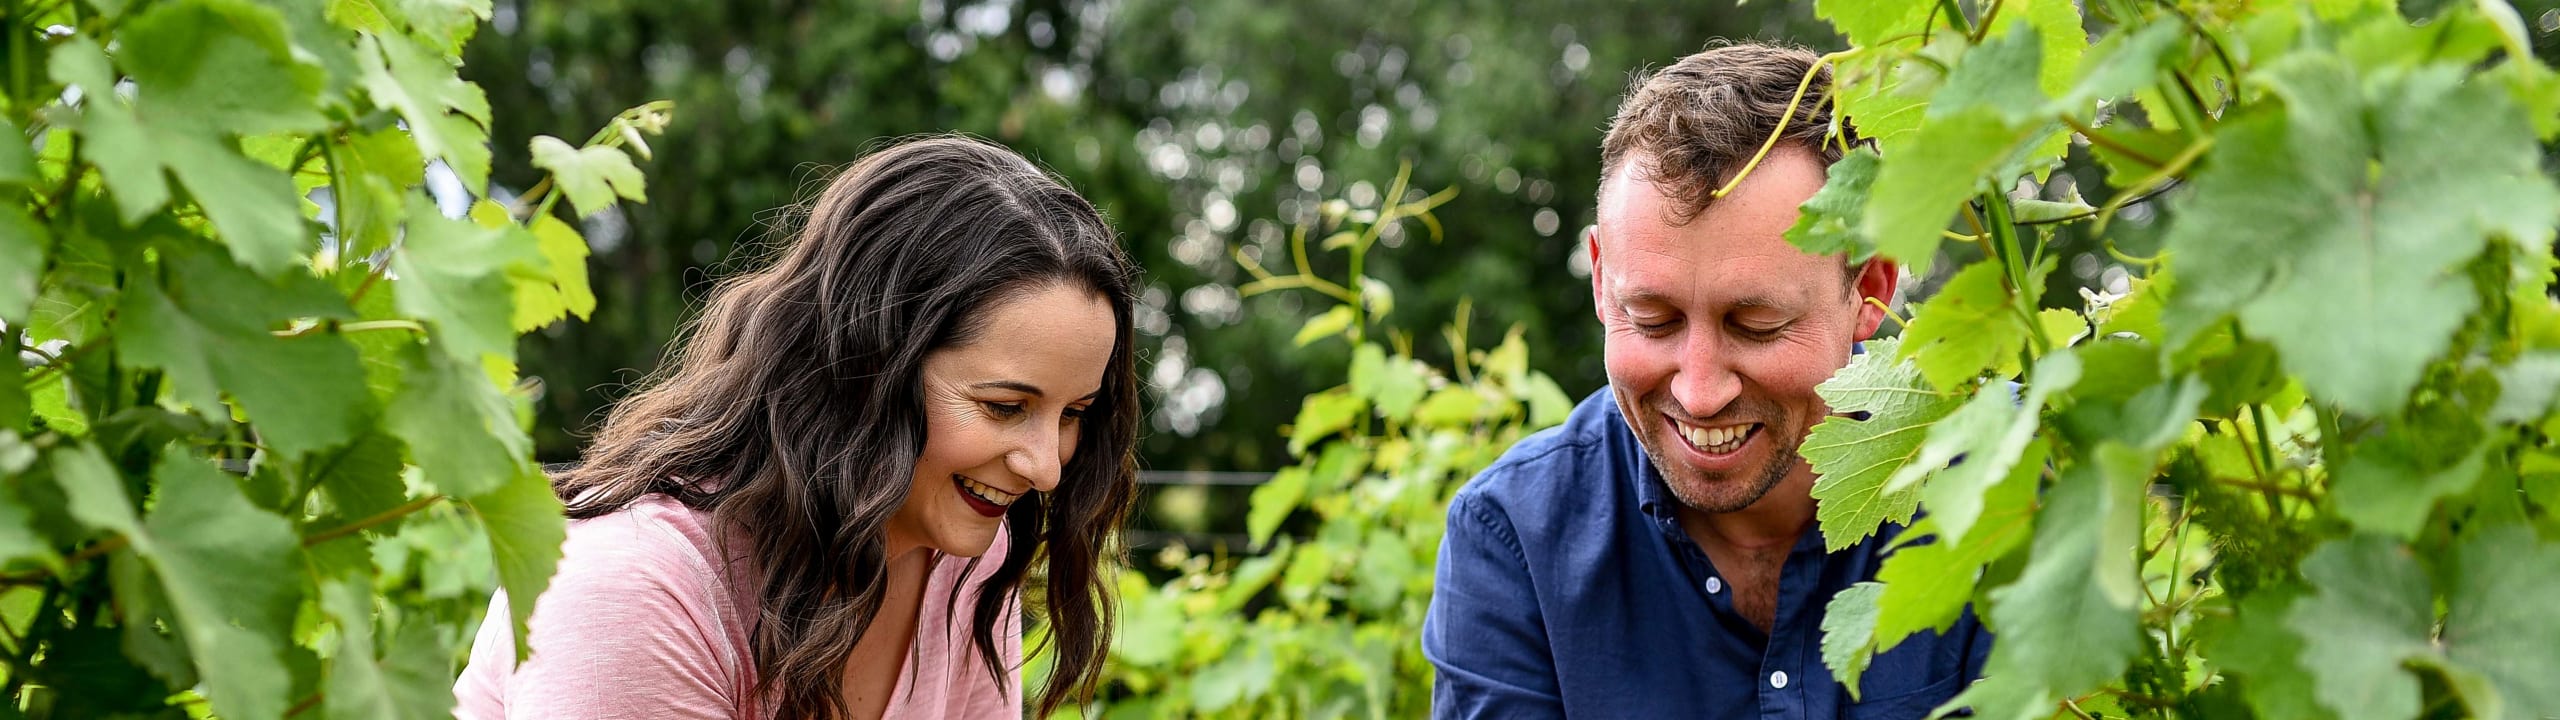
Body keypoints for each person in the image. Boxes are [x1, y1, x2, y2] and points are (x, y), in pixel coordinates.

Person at [454, 136, 1141, 720]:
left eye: (1074, 414)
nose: (1046, 468)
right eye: (1002, 406)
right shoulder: (638, 591)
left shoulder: (965, 561)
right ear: (865, 365)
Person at [1421, 43, 1990, 718]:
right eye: (1652, 319)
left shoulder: (1998, 475)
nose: (1698, 391)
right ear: (1601, 281)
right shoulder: (1515, 538)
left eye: (1756, 324)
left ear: (1869, 287)